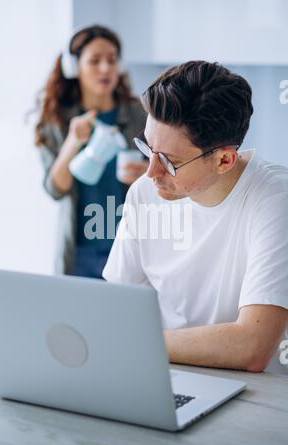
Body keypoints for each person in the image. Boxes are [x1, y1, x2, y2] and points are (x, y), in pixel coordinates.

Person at [103, 60, 288, 373]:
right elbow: (114, 306)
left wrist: (136, 344)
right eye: (148, 148)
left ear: (224, 160)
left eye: (170, 161)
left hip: (254, 398)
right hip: (164, 374)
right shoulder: (144, 193)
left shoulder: (274, 200)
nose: (151, 172)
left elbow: (252, 346)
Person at [35, 25, 148, 277]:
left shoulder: (140, 115)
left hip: (130, 245)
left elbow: (169, 178)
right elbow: (55, 189)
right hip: (80, 252)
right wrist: (72, 142)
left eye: (112, 60)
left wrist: (149, 173)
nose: (106, 68)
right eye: (95, 61)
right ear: (74, 67)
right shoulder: (56, 120)